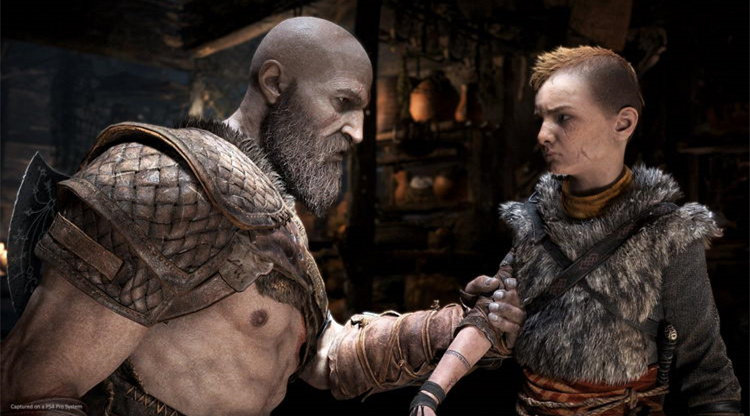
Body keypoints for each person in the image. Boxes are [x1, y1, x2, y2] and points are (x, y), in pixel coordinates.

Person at [0, 17, 524, 416]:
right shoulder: (162, 181)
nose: (358, 132)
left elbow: (321, 358)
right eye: (343, 101)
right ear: (274, 82)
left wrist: (455, 326)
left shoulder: (273, 211)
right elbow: (29, 390)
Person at [408, 46, 742, 416]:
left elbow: (707, 369)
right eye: (542, 118)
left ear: (623, 124)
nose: (542, 135)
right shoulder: (534, 221)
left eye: (563, 118)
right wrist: (431, 393)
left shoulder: (667, 234)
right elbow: (490, 316)